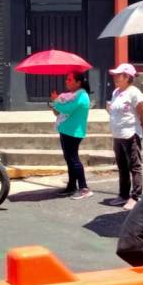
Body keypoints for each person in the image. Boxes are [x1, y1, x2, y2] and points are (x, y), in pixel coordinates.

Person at [107, 63, 143, 210]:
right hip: (118, 134)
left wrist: (141, 130)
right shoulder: (116, 92)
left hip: (131, 133)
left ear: (127, 77)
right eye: (115, 75)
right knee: (122, 166)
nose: (115, 77)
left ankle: (135, 196)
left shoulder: (134, 92)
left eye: (118, 75)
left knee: (134, 166)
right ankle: (123, 195)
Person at [50, 72, 93, 200]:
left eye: (69, 79)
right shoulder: (72, 95)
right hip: (66, 130)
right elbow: (58, 111)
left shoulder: (82, 96)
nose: (66, 82)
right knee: (69, 159)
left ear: (78, 82)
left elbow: (67, 109)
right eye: (66, 79)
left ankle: (84, 188)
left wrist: (56, 101)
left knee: (73, 159)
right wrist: (57, 103)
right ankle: (71, 186)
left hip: (74, 132)